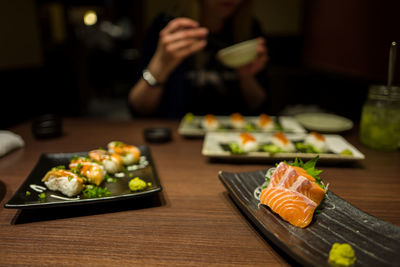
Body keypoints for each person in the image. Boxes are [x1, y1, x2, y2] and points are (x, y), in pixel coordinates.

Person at [129, 0, 269, 118]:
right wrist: (160, 66)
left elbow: (258, 106)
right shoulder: (168, 27)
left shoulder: (250, 30)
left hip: (234, 138)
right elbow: (139, 108)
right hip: (175, 138)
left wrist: (246, 77)